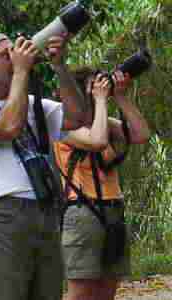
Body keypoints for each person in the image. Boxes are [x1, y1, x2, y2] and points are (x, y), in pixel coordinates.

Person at [0, 32, 87, 300]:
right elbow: (9, 127)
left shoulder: (33, 105)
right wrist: (21, 72)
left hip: (45, 210)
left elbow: (78, 116)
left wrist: (60, 67)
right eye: (5, 55)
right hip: (3, 215)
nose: (15, 57)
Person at [54, 68, 150, 300]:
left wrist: (119, 97)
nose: (98, 90)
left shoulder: (103, 121)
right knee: (82, 292)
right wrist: (98, 101)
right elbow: (97, 141)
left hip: (113, 209)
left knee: (107, 290)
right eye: (92, 86)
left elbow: (141, 134)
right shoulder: (62, 123)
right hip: (83, 210)